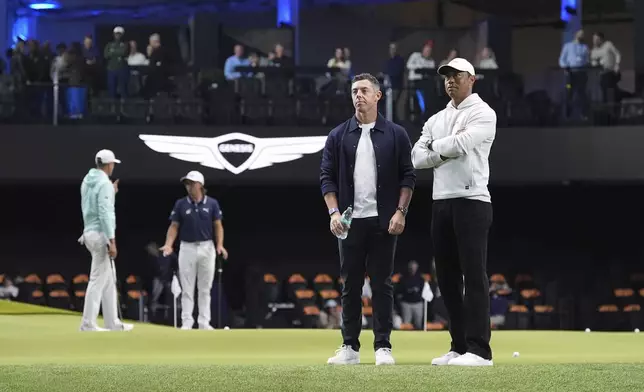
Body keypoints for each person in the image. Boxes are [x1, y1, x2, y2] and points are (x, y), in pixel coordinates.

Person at [320, 73, 416, 366]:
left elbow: (408, 177)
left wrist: (401, 212)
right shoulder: (338, 135)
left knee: (382, 284)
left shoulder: (396, 134)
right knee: (349, 285)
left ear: (378, 96)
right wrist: (334, 213)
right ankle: (349, 346)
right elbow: (326, 179)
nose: (358, 95)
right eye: (354, 91)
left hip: (383, 222)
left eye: (364, 90)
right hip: (349, 223)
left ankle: (383, 347)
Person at [411, 58, 496, 366]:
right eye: (446, 76)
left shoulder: (484, 113)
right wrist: (442, 151)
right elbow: (416, 157)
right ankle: (459, 346)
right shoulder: (435, 119)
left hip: (472, 200)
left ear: (471, 79)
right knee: (446, 278)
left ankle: (480, 351)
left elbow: (464, 143)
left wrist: (437, 149)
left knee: (474, 276)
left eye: (456, 75)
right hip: (441, 201)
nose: (450, 80)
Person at [160, 171, 228, 330]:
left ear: (200, 185)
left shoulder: (212, 204)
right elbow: (174, 226)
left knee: (205, 288)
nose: (188, 186)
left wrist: (220, 245)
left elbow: (218, 225)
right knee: (187, 288)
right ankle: (187, 322)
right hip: (187, 247)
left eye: (191, 183)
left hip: (206, 247)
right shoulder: (181, 204)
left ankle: (204, 322)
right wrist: (169, 244)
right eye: (186, 183)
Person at [78, 149, 133, 332]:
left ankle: (112, 322)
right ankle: (88, 324)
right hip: (101, 235)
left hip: (88, 233)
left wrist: (112, 194)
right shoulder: (105, 183)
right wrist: (112, 240)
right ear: (109, 165)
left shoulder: (88, 181)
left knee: (109, 279)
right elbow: (105, 213)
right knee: (97, 280)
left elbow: (94, 205)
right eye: (113, 164)